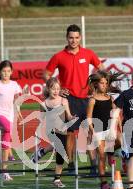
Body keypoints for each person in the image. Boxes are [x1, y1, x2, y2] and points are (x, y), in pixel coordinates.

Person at [45, 24, 104, 174]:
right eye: (71, 37)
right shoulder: (59, 56)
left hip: (86, 99)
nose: (74, 40)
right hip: (68, 99)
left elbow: (101, 68)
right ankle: (71, 164)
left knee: (89, 130)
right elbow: (46, 74)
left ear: (80, 38)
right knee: (70, 133)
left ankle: (93, 166)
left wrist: (95, 85)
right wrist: (57, 88)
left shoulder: (88, 53)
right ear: (67, 38)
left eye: (76, 37)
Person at [33, 77, 77, 188]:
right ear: (48, 89)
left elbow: (68, 115)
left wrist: (72, 118)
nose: (56, 91)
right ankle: (57, 179)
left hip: (62, 129)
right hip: (51, 130)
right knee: (60, 149)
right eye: (53, 89)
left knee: (61, 151)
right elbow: (42, 119)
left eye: (58, 89)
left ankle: (42, 152)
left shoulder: (63, 101)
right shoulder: (44, 104)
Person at [86, 71, 122, 189]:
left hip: (109, 131)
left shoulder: (110, 98)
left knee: (118, 144)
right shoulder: (92, 100)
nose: (104, 85)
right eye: (102, 83)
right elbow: (89, 118)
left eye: (106, 83)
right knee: (101, 157)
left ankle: (111, 154)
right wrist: (93, 133)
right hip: (98, 132)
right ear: (96, 84)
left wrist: (120, 127)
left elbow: (115, 114)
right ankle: (103, 183)